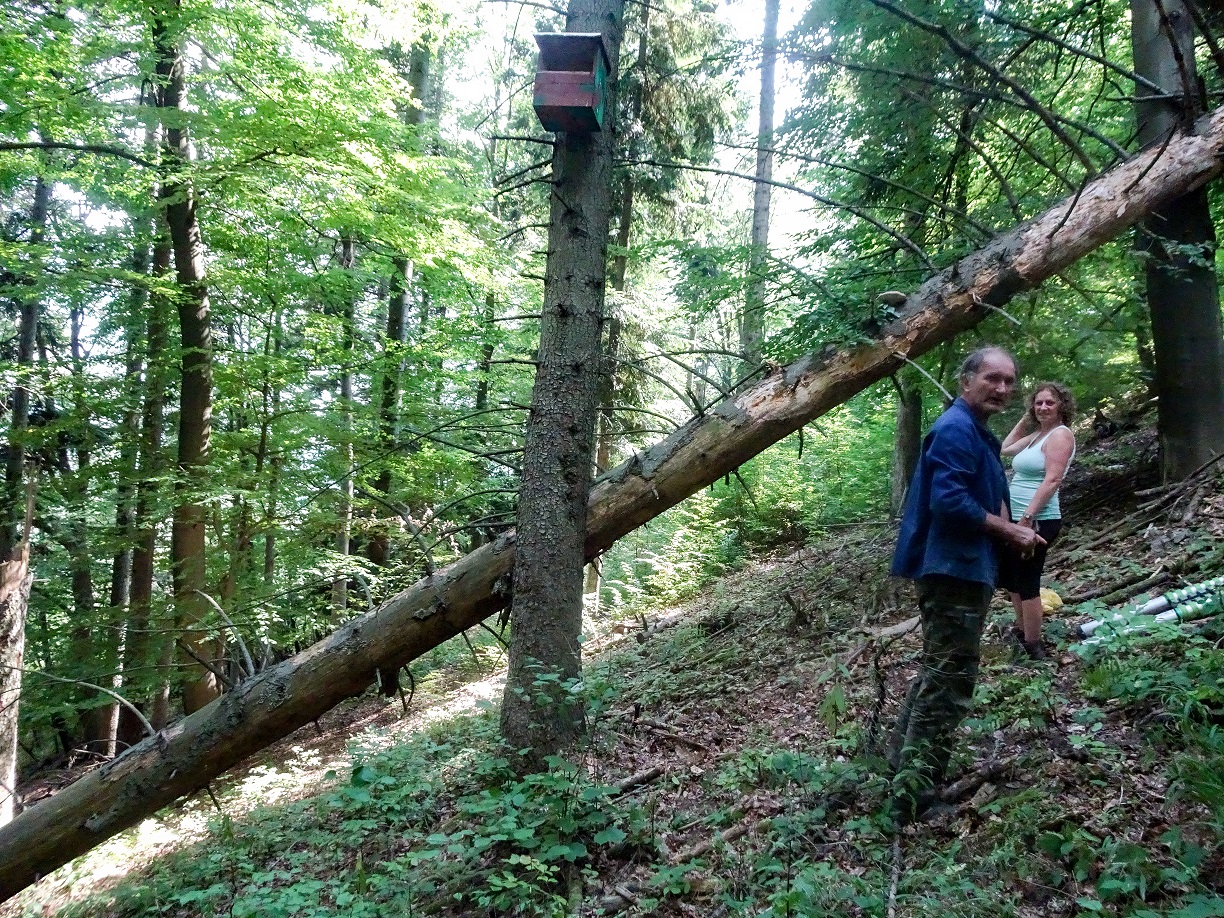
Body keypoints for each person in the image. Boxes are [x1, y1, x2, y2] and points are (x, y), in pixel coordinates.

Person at [887, 346, 1044, 821]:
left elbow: (980, 494)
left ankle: (902, 768)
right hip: (952, 570)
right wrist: (1011, 530)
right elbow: (949, 501)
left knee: (939, 672)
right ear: (966, 381)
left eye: (1009, 381)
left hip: (965, 565)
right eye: (992, 378)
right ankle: (913, 799)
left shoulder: (976, 432)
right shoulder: (955, 429)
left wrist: (1005, 532)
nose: (1002, 388)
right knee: (950, 681)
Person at [1000, 382, 1076, 660]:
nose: (1043, 407)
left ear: (1062, 407)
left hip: (1038, 520)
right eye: (1038, 403)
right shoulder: (1036, 436)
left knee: (1027, 581)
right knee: (1014, 580)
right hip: (1018, 522)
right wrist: (1027, 419)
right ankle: (1021, 632)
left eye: (1050, 403)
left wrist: (1027, 518)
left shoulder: (1060, 436)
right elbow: (1006, 447)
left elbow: (1052, 480)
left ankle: (1034, 645)